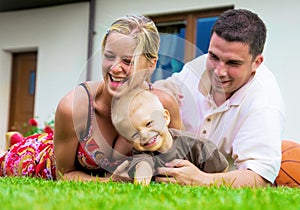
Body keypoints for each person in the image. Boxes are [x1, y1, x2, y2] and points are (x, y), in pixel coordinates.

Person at [0, 15, 182, 181]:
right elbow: (65, 174)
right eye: (109, 57)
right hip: (41, 161)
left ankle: (17, 138)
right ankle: (15, 145)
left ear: (151, 64)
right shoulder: (74, 107)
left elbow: (176, 160)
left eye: (127, 61)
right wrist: (109, 182)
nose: (114, 68)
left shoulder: (163, 105)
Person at [153, 9, 285, 187]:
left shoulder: (264, 102)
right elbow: (163, 90)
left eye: (233, 63)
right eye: (213, 56)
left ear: (256, 63)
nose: (218, 71)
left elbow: (259, 177)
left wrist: (201, 179)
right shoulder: (196, 69)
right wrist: (159, 91)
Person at [111, 87, 228, 185]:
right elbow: (143, 166)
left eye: (149, 124)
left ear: (165, 118)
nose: (144, 134)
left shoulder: (198, 146)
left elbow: (222, 174)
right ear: (129, 141)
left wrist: (204, 180)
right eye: (135, 134)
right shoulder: (142, 153)